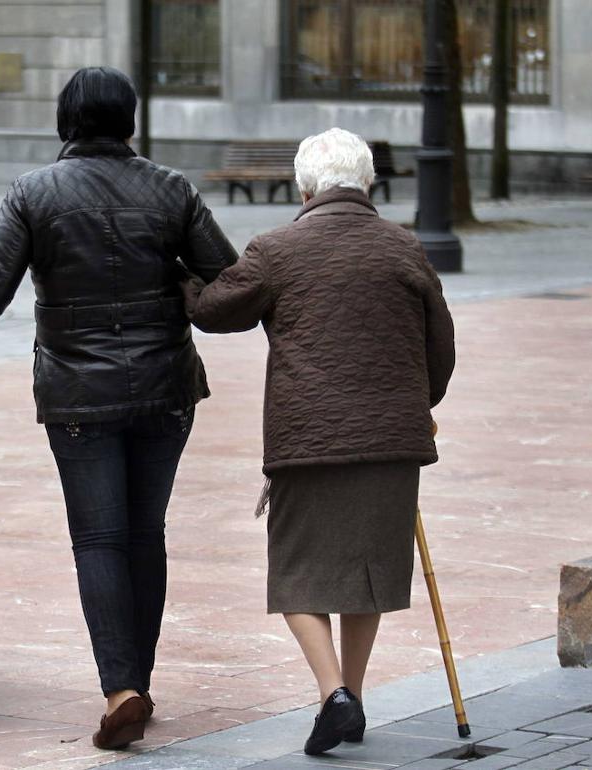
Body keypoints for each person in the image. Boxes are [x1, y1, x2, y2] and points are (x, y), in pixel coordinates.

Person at [0, 66, 238, 750]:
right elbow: (230, 285)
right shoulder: (172, 189)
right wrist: (181, 285)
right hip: (166, 388)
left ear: (66, 120)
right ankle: (137, 684)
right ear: (129, 119)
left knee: (99, 538)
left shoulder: (34, 193)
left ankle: (122, 690)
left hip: (78, 394)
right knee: (145, 534)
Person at [183, 128, 455, 756]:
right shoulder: (405, 247)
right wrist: (420, 403)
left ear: (304, 189)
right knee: (369, 572)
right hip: (391, 441)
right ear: (368, 184)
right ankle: (349, 697)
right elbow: (439, 343)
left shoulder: (277, 249)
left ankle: (334, 694)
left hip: (308, 439)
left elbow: (215, 311)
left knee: (297, 574)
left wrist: (182, 283)